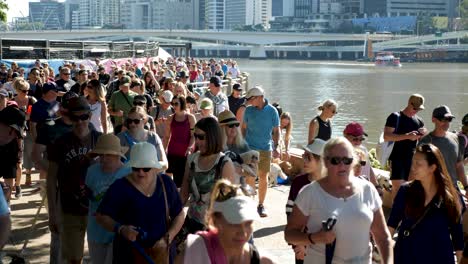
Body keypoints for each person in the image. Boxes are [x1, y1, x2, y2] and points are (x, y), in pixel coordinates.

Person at [284, 137, 393, 264]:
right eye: (335, 160)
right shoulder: (310, 192)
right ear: (325, 162)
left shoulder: (368, 189)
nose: (342, 165)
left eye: (347, 160)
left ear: (354, 162)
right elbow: (290, 234)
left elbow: (383, 237)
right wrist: (314, 238)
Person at [96, 142, 185, 264]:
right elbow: (101, 216)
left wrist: (168, 238)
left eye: (146, 168)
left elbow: (179, 215)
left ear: (155, 168)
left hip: (162, 254)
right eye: (136, 168)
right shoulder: (120, 187)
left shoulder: (166, 184)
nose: (140, 172)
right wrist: (120, 229)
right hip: (128, 256)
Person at [47, 96, 101, 264]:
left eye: (83, 117)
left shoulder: (100, 140)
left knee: (99, 257)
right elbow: (51, 179)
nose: (80, 122)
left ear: (90, 116)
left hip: (97, 209)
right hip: (70, 208)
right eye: (75, 118)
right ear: (69, 118)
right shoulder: (60, 143)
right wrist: (53, 213)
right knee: (74, 259)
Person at [387, 143, 463, 263]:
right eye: (413, 162)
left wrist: (460, 259)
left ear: (432, 168)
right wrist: (385, 254)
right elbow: (392, 223)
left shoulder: (450, 197)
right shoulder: (405, 191)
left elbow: (457, 233)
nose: (413, 167)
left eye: (418, 164)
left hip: (438, 258)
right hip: (406, 256)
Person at [176, 179, 275, 264]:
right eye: (234, 223)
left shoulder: (264, 261)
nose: (243, 231)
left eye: (248, 223)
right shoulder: (192, 254)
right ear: (215, 222)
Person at [180, 117, 235, 234]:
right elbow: (183, 194)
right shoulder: (191, 160)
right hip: (191, 224)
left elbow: (230, 203)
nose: (197, 141)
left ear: (212, 136)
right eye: (195, 136)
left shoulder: (224, 163)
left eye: (201, 137)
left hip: (214, 229)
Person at [86, 134, 131, 264]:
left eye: (108, 154)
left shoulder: (128, 173)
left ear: (118, 155)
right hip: (95, 231)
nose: (103, 158)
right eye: (101, 154)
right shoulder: (92, 171)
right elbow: (88, 195)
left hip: (119, 233)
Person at [242, 86, 280, 217]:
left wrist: (276, 147)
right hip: (250, 148)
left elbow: (276, 131)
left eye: (251, 99)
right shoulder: (248, 111)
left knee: (263, 177)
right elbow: (243, 128)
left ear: (259, 97)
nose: (249, 102)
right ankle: (249, 204)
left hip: (265, 149)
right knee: (250, 176)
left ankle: (261, 205)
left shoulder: (272, 111)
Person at [285, 139, 325, 264]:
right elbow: (290, 213)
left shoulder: (330, 184)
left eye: (309, 157)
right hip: (301, 244)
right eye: (304, 156)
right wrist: (298, 243)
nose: (304, 160)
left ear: (322, 161)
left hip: (323, 246)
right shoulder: (298, 182)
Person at [384, 94, 426, 201]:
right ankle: (396, 216)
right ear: (409, 103)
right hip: (397, 158)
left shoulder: (419, 121)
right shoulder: (395, 117)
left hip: (412, 160)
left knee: (410, 189)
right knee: (398, 189)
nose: (416, 111)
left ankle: (407, 216)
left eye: (418, 109)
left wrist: (424, 135)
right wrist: (407, 136)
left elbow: (423, 143)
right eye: (414, 108)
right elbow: (387, 136)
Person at [418, 106, 467, 191]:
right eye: (443, 119)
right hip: (432, 190)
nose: (447, 123)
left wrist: (466, 187)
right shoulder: (425, 142)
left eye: (449, 119)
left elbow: (459, 165)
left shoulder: (455, 139)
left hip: (453, 189)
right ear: (433, 119)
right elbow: (418, 167)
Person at [164, 95, 196, 187]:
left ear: (182, 104)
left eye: (176, 103)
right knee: (168, 180)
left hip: (184, 154)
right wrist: (163, 151)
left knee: (181, 182)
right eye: (172, 103)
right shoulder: (170, 118)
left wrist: (190, 148)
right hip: (172, 152)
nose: (174, 106)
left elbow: (193, 135)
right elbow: (166, 137)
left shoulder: (190, 117)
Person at [343, 122, 382, 193]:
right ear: (345, 135)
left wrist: (377, 186)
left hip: (365, 190)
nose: (358, 142)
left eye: (361, 139)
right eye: (355, 139)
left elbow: (368, 168)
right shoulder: (340, 153)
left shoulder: (363, 150)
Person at [13, 78, 37, 190]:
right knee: (16, 157)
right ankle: (15, 179)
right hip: (15, 132)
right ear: (17, 90)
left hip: (29, 130)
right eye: (24, 90)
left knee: (28, 153)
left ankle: (28, 173)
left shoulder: (32, 100)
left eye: (28, 90)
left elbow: (36, 114)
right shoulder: (12, 101)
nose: (26, 92)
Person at [0, 106, 26, 202]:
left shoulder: (16, 126)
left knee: (9, 176)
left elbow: (19, 137)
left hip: (11, 149)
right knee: (9, 177)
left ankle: (7, 202)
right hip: (8, 149)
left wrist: (19, 151)